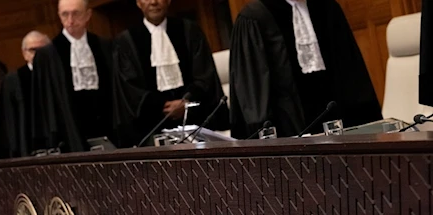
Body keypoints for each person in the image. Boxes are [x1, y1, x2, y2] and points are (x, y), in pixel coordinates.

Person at [229, 0, 382, 138]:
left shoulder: (328, 9)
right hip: (289, 132)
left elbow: (354, 76)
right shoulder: (255, 17)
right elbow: (254, 95)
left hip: (340, 126)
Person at [113, 0, 230, 148]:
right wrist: (162, 105)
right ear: (138, 3)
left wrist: (185, 103)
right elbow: (129, 89)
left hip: (195, 120)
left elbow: (205, 75)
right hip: (150, 127)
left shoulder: (189, 31)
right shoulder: (125, 41)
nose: (154, 2)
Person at [29, 0, 114, 153]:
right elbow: (43, 104)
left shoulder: (104, 46)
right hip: (67, 133)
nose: (70, 21)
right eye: (65, 14)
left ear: (88, 15)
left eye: (76, 13)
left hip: (105, 128)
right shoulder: (47, 55)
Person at [0, 31, 51, 157]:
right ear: (24, 53)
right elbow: (8, 120)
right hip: (28, 146)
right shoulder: (13, 81)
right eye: (32, 50)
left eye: (42, 50)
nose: (38, 55)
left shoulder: (60, 75)